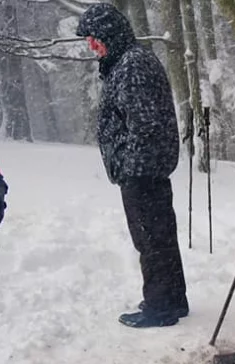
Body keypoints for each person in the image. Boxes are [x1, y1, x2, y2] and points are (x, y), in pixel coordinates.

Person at [76, 4, 188, 329]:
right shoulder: (129, 61)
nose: (92, 45)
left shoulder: (132, 64)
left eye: (95, 38)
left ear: (109, 34)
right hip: (145, 168)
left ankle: (160, 307)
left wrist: (126, 162)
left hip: (142, 171)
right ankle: (171, 299)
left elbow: (145, 123)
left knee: (151, 241)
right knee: (160, 237)